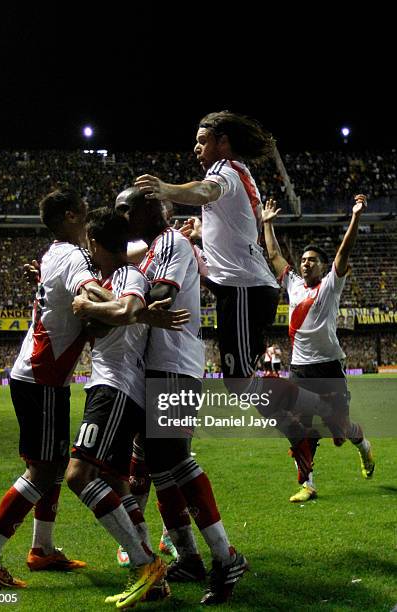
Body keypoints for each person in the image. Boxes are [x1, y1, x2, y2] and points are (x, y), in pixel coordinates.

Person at [115, 187, 249, 606]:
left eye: (126, 209)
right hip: (157, 367)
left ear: (151, 209)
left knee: (174, 458)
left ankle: (226, 557)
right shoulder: (153, 248)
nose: (122, 217)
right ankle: (190, 556)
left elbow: (162, 296)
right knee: (159, 465)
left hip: (175, 364)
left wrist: (120, 306)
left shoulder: (173, 242)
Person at [0, 189, 104, 587]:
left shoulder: (53, 253)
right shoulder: (75, 257)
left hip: (47, 376)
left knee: (54, 465)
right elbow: (86, 293)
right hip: (41, 375)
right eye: (83, 208)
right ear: (71, 214)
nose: (88, 213)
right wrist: (122, 303)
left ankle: (42, 549)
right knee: (42, 470)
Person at [67, 207, 190, 607]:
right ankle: (153, 580)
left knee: (78, 476)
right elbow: (121, 314)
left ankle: (143, 562)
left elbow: (127, 310)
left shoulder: (128, 276)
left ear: (96, 244)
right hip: (117, 388)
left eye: (90, 244)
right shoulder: (113, 279)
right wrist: (101, 305)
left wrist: (89, 306)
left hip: (115, 388)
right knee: (119, 484)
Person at [134, 110, 280, 386]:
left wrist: (165, 189)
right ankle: (301, 422)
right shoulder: (239, 173)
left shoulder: (224, 169)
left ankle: (314, 409)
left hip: (243, 289)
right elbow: (238, 225)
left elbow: (205, 192)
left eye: (203, 141)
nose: (196, 148)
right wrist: (201, 233)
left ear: (222, 142)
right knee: (239, 384)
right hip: (240, 288)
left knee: (239, 383)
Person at [262, 194, 375, 502]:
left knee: (340, 431)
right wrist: (267, 224)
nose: (306, 262)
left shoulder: (330, 285)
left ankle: (363, 447)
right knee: (301, 427)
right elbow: (274, 256)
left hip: (328, 367)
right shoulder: (294, 284)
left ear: (323, 267)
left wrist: (355, 217)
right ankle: (307, 484)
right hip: (300, 368)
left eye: (313, 260)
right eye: (304, 259)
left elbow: (343, 252)